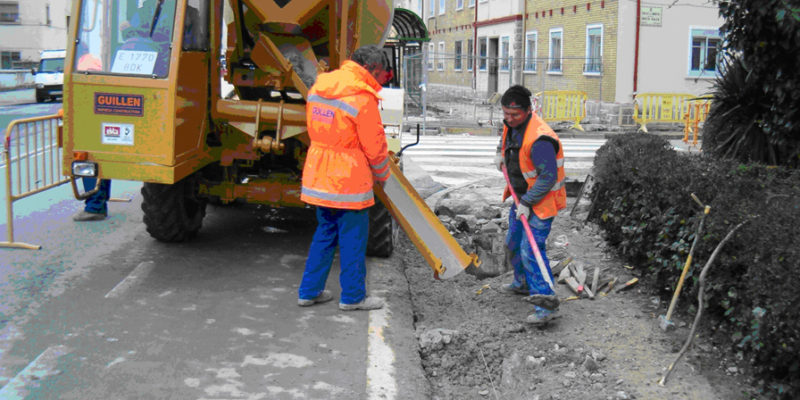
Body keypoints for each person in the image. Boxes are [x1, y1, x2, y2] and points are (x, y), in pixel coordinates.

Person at [297, 45, 391, 311]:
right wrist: (383, 176)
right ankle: (352, 297)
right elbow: (374, 146)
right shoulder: (362, 96)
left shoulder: (320, 86)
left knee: (324, 233)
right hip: (349, 179)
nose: (380, 78)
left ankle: (308, 291)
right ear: (372, 69)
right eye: (380, 73)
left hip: (319, 174)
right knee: (353, 240)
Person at [493, 85, 567, 326]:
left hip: (540, 202)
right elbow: (506, 137)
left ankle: (546, 305)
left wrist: (527, 202)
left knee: (531, 250)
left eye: (514, 115)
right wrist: (499, 153)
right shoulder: (512, 124)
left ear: (528, 110)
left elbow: (547, 177)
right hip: (522, 199)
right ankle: (523, 284)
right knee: (513, 243)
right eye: (505, 114)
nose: (509, 119)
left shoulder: (540, 139)